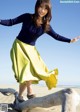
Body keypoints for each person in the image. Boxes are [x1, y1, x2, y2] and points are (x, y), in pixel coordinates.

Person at [0, 0, 80, 101]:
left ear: (48, 11)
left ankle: (20, 96)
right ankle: (30, 90)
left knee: (33, 71)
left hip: (31, 50)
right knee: (26, 68)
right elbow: (11, 22)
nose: (42, 10)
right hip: (19, 46)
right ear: (36, 7)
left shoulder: (45, 25)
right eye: (40, 7)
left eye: (45, 9)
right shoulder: (27, 17)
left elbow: (56, 36)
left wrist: (70, 40)